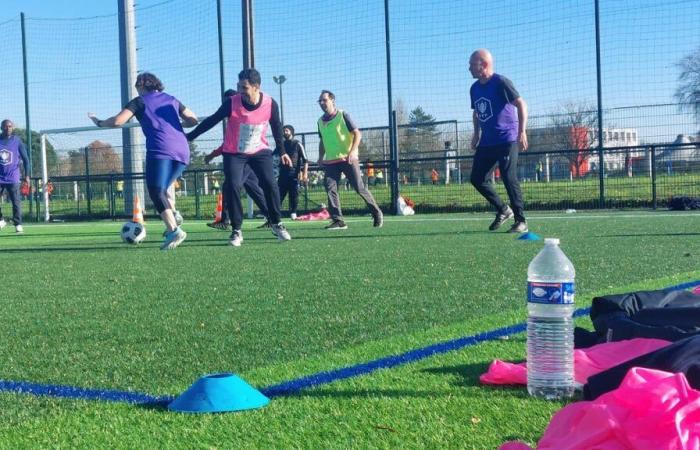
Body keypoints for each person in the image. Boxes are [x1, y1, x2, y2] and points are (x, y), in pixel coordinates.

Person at [88, 72, 199, 250]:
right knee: (161, 190)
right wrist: (177, 125)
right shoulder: (171, 99)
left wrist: (99, 122)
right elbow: (193, 119)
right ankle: (174, 215)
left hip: (161, 149)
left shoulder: (139, 101)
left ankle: (173, 230)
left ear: (141, 85)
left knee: (155, 191)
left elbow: (118, 121)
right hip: (183, 151)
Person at [186, 68, 292, 247]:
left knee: (270, 183)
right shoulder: (232, 102)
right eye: (239, 86)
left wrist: (282, 151)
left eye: (244, 87)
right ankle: (236, 230)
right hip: (234, 153)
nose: (240, 91)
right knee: (233, 185)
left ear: (257, 87)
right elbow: (212, 120)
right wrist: (189, 136)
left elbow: (276, 127)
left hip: (260, 150)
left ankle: (276, 223)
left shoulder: (270, 103)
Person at [468, 49, 529, 233]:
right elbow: (477, 112)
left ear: (484, 65)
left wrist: (522, 131)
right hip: (487, 142)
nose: (469, 68)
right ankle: (503, 209)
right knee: (477, 178)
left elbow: (521, 103)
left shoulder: (501, 82)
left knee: (508, 177)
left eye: (472, 65)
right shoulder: (474, 88)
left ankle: (521, 221)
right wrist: (476, 134)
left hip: (507, 139)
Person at [317, 90, 383, 230]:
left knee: (359, 187)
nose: (322, 103)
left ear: (332, 100)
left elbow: (357, 134)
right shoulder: (320, 121)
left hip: (347, 158)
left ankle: (377, 213)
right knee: (330, 188)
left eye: (325, 100)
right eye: (320, 101)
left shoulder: (343, 115)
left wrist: (352, 151)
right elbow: (322, 140)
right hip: (331, 161)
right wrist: (320, 157)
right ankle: (338, 220)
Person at [0, 119, 31, 233]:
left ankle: (18, 224)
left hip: (13, 177)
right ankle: (1, 220)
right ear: (1, 128)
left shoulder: (17, 141)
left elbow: (26, 160)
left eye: (10, 126)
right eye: (6, 126)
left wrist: (27, 175)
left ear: (12, 128)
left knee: (16, 202)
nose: (8, 128)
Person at [278, 125, 308, 220]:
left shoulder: (297, 144)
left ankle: (293, 213)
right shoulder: (281, 145)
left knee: (294, 194)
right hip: (282, 173)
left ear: (291, 131)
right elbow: (273, 156)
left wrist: (305, 173)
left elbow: (305, 160)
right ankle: (275, 214)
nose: (284, 132)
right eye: (283, 131)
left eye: (286, 130)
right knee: (279, 194)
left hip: (294, 173)